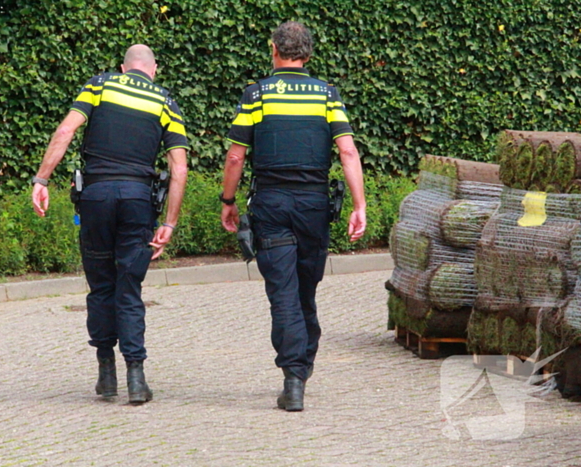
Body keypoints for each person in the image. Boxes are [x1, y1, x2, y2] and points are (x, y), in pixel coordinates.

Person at [219, 21, 367, 412]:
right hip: (314, 206)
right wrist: (359, 206)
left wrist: (228, 199)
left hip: (271, 205)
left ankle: (293, 377)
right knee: (304, 290)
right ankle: (302, 366)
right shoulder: (326, 94)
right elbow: (348, 152)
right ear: (308, 53)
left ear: (274, 50)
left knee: (283, 293)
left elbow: (235, 156)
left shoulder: (257, 94)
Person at [31, 44, 188, 405]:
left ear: (123, 67)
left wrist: (42, 179)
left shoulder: (100, 85)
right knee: (129, 288)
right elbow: (179, 168)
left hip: (96, 197)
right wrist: (170, 222)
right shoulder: (165, 101)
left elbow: (65, 131)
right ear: (154, 70)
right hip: (137, 200)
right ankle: (136, 377)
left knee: (101, 285)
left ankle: (106, 374)